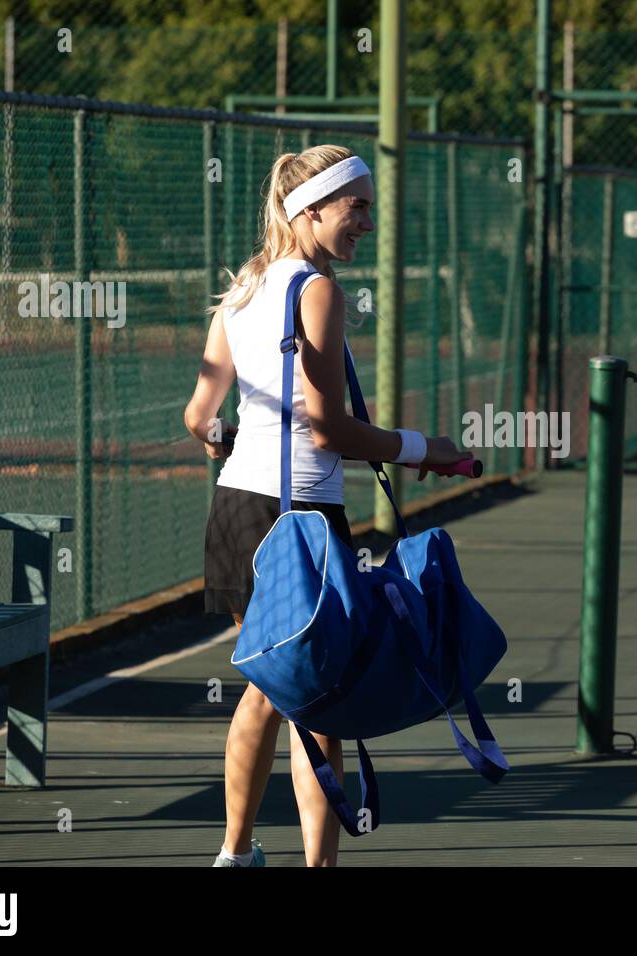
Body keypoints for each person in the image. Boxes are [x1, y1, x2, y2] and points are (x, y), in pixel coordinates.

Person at [183, 145, 469, 866]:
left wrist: (232, 440)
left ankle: (236, 853)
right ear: (309, 209)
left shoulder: (242, 289)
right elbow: (329, 429)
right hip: (299, 520)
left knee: (269, 690)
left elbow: (198, 418)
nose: (366, 223)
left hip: (236, 511)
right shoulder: (317, 292)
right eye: (356, 207)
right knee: (317, 701)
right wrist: (424, 448)